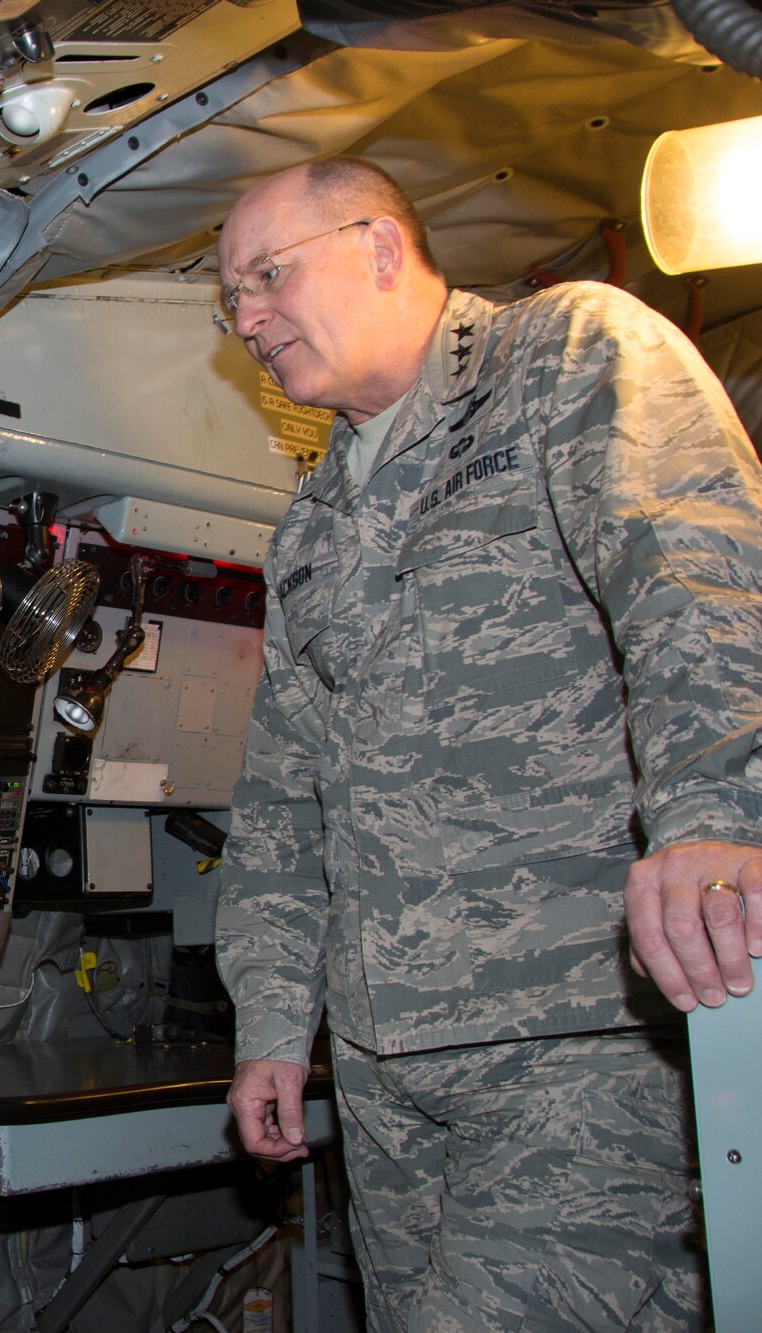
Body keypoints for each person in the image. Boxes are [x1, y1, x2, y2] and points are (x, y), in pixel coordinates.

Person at [213, 156, 762, 1331]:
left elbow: (697, 586)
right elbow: (280, 804)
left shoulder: (565, 356)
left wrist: (719, 820)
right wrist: (272, 1026)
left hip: (581, 1034)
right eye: (230, 301)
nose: (247, 318)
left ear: (377, 246)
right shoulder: (309, 526)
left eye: (265, 275)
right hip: (383, 1071)